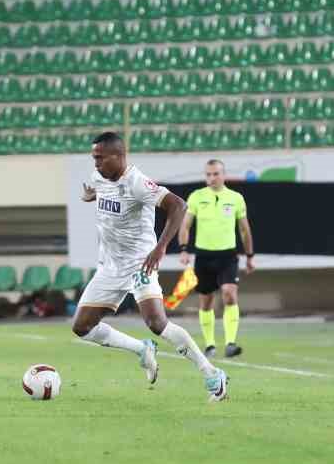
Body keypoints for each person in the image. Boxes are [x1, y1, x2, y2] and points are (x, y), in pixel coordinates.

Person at [72, 132, 229, 402]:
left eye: (100, 158)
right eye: (93, 158)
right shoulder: (101, 177)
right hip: (110, 266)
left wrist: (161, 247)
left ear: (118, 157)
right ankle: (141, 350)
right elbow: (105, 191)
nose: (95, 164)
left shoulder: (137, 182)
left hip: (139, 264)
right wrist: (92, 195)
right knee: (82, 327)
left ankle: (211, 373)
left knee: (156, 322)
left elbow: (178, 206)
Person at [177, 159, 255, 358]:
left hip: (227, 255)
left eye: (216, 174)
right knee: (206, 301)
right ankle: (210, 345)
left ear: (224, 174)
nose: (212, 178)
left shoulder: (235, 198)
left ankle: (230, 343)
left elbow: (245, 230)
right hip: (204, 256)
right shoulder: (196, 197)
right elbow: (185, 226)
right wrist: (184, 249)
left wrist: (249, 256)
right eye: (208, 174)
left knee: (229, 294)